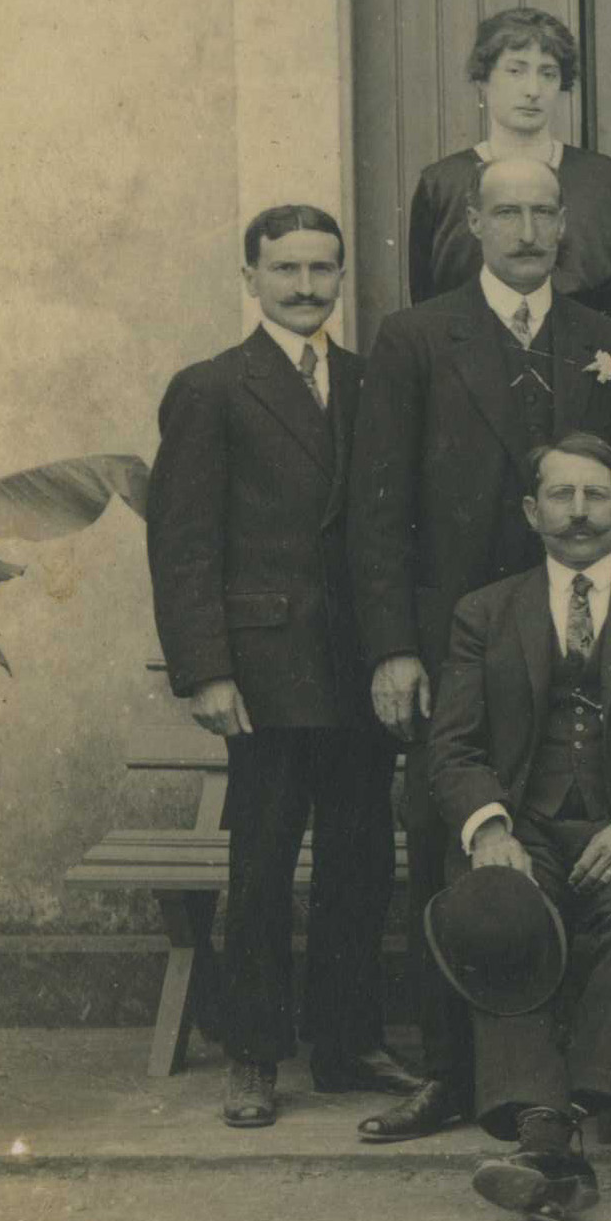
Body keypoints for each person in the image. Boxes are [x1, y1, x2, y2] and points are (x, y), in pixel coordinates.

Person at [346, 152, 611, 1142]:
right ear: (471, 223)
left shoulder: (609, 341)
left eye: (542, 212)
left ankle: (575, 1082)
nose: (525, 229)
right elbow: (378, 506)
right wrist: (394, 647)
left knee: (574, 840)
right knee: (451, 843)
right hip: (456, 634)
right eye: (505, 211)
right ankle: (447, 1073)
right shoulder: (415, 337)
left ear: (567, 227)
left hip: (578, 631)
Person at [145, 203, 406, 1126]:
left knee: (360, 860)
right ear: (249, 278)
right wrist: (206, 671)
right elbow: (181, 545)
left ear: (342, 277)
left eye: (322, 269)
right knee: (260, 864)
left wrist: (395, 650)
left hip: (357, 668)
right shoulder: (213, 387)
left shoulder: (371, 382)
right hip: (264, 672)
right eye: (285, 269)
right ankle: (252, 1052)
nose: (305, 287)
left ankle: (347, 1044)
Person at [426, 431, 611, 1221]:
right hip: (527, 820)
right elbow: (452, 744)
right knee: (499, 909)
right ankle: (554, 1139)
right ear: (532, 511)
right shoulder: (485, 612)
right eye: (560, 495)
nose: (579, 511)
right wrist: (490, 829)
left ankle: (552, 1125)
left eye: (597, 495)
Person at [405, 5, 611, 311]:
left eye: (548, 74)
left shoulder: (599, 177)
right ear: (483, 81)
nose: (533, 90)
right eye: (516, 70)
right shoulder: (443, 183)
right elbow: (425, 302)